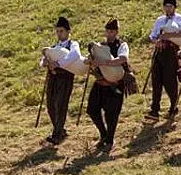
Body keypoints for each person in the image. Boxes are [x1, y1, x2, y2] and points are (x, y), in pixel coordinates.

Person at [86, 18, 130, 151]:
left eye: (112, 32)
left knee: (112, 115)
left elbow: (122, 59)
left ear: (116, 32)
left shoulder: (122, 45)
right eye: (108, 31)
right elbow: (93, 60)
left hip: (115, 84)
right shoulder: (100, 46)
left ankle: (110, 141)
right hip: (100, 83)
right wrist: (91, 60)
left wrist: (104, 63)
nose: (109, 34)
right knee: (92, 109)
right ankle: (103, 134)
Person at [147, 0, 181, 120]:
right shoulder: (160, 20)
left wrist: (169, 36)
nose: (168, 9)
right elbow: (153, 36)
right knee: (156, 81)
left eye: (170, 6)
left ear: (174, 7)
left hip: (171, 53)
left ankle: (173, 106)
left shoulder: (180, 19)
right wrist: (156, 41)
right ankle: (154, 110)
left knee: (170, 81)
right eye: (166, 6)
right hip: (159, 52)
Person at [39, 17, 81, 145]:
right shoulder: (54, 47)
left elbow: (75, 55)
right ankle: (60, 130)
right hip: (53, 78)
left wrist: (58, 64)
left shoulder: (73, 44)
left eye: (61, 31)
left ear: (68, 32)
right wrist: (45, 62)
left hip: (65, 78)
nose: (59, 34)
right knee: (51, 106)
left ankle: (57, 135)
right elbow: (42, 62)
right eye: (57, 31)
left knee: (60, 105)